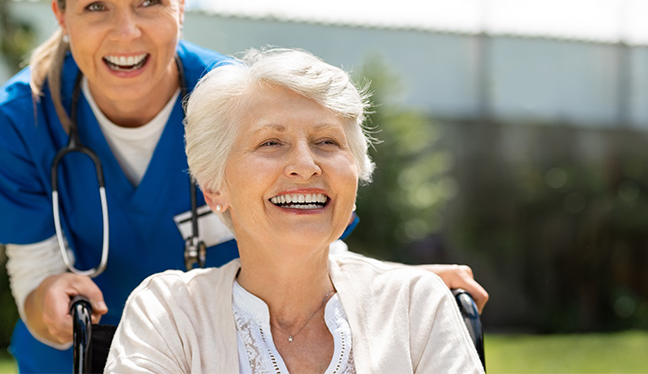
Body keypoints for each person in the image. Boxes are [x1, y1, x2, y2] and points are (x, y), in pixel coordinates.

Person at [0, 0, 488, 371]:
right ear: (61, 15)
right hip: (78, 352)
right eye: (95, 7)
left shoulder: (240, 103)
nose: (126, 31)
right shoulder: (19, 121)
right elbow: (34, 270)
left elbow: (305, 221)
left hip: (223, 348)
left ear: (180, 3)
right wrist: (47, 299)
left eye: (149, 1)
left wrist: (398, 294)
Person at [105, 48, 485, 373]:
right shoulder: (166, 313)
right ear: (214, 188)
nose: (306, 166)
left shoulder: (415, 305)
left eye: (327, 141)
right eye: (271, 142)